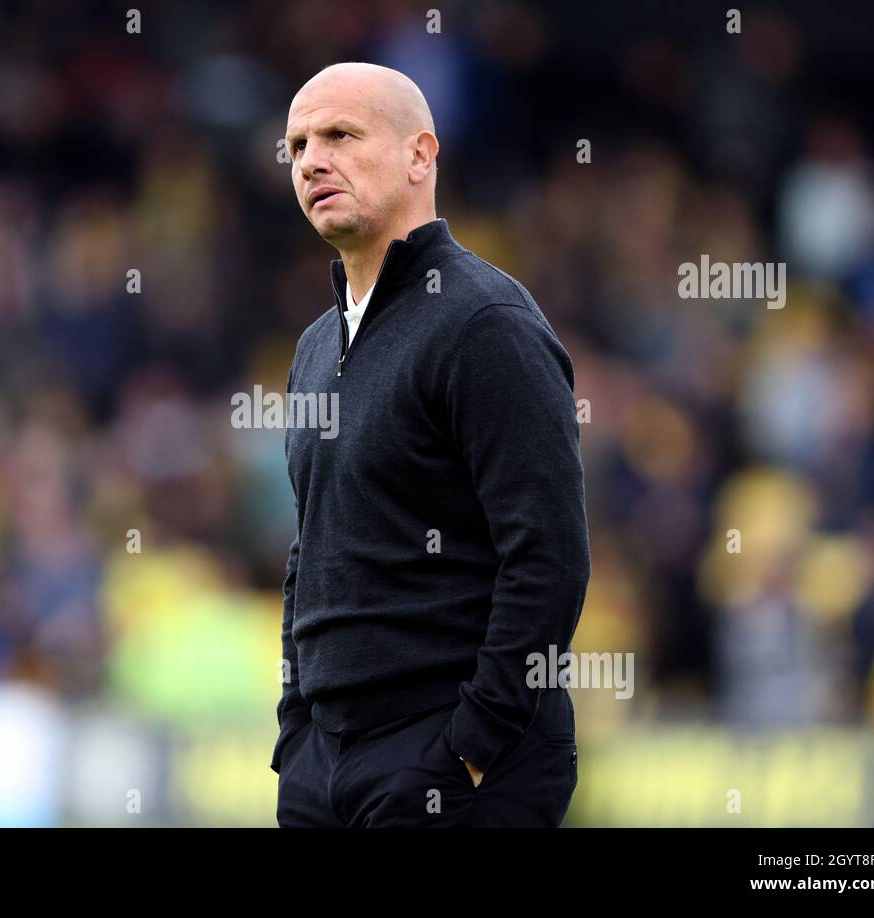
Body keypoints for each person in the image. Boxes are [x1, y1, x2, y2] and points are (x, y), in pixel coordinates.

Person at [272, 62, 590, 827]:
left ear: (421, 155)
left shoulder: (485, 323)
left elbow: (548, 555)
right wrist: (297, 735)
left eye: (341, 135)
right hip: (327, 766)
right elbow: (308, 550)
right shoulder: (315, 346)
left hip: (451, 757)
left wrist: (471, 745)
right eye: (297, 144)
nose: (312, 159)